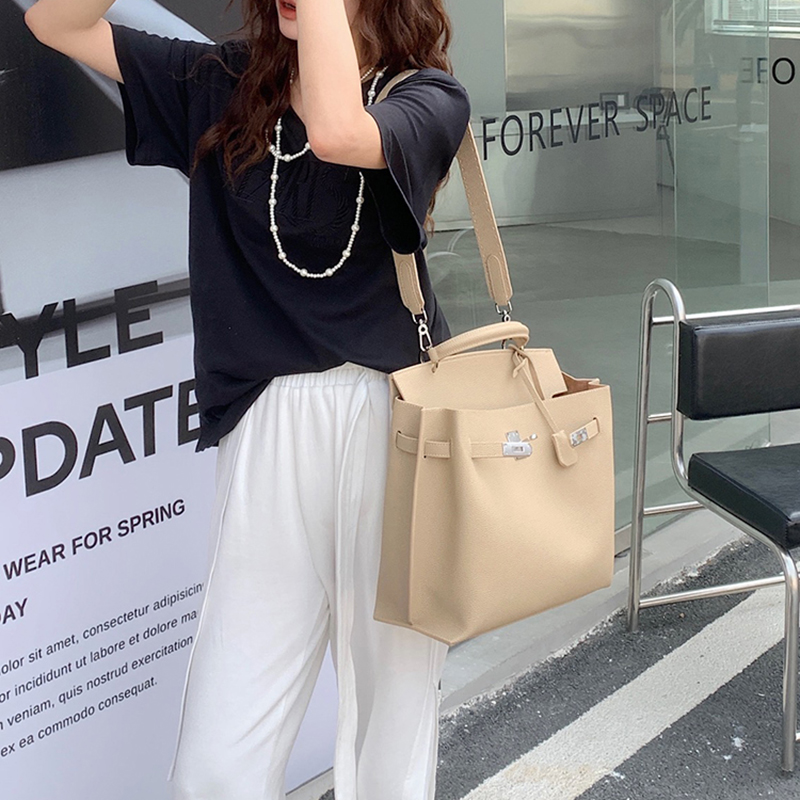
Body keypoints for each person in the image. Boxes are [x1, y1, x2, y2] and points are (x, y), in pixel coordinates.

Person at [24, 0, 470, 797]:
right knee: (222, 744)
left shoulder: (424, 97)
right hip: (266, 425)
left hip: (395, 424)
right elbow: (56, 26)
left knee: (392, 723)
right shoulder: (219, 84)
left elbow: (337, 131)